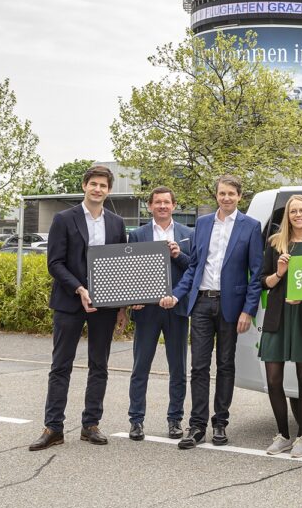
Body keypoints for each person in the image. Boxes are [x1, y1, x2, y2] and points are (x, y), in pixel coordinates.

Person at [159, 175, 263, 450]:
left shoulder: (251, 227)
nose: (226, 197)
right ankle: (197, 426)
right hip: (202, 303)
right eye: (222, 193)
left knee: (226, 365)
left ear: (240, 196)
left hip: (231, 306)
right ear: (216, 195)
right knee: (199, 367)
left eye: (231, 193)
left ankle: (220, 423)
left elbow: (256, 273)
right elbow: (193, 266)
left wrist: (248, 310)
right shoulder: (203, 224)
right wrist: (176, 295)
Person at [29, 165, 126, 451]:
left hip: (105, 306)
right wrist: (79, 288)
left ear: (109, 190)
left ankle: (90, 424)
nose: (98, 189)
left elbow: (119, 267)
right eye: (93, 184)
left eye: (103, 186)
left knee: (99, 365)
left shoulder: (117, 223)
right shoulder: (63, 219)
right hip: (70, 302)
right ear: (84, 186)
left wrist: (122, 308)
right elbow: (54, 263)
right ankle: (53, 427)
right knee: (61, 366)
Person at [258, 195, 302, 458]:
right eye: (293, 211)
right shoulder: (275, 243)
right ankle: (282, 435)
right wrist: (279, 272)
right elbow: (264, 282)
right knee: (273, 379)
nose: (298, 215)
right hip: (278, 316)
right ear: (287, 216)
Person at [125, 187, 193, 441]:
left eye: (167, 202)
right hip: (148, 311)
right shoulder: (138, 234)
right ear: (150, 206)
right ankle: (136, 420)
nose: (162, 206)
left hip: (176, 308)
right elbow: (129, 270)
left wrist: (179, 254)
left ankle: (175, 420)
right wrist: (134, 299)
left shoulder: (187, 234)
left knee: (178, 368)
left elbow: (193, 269)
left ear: (174, 205)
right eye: (158, 202)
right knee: (140, 366)